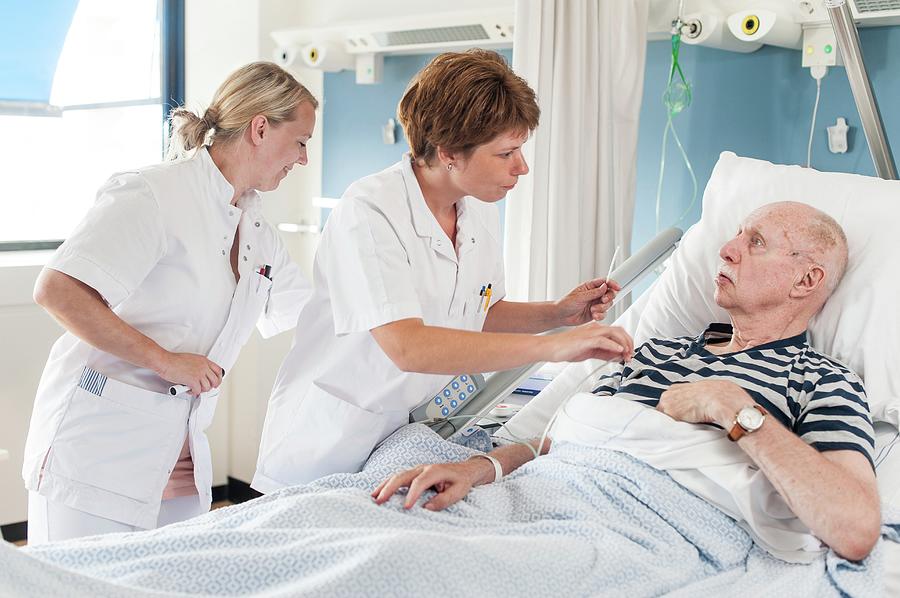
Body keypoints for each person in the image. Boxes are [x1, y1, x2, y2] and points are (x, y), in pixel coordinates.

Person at [373, 201, 882, 562]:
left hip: (640, 532)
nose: (727, 249)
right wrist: (480, 468)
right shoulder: (660, 349)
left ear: (806, 280)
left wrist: (732, 407)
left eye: (757, 242)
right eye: (736, 235)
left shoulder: (821, 380)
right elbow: (563, 439)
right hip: (538, 496)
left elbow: (854, 527)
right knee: (378, 532)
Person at [252, 49, 633, 492]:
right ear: (449, 152)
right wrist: (553, 349)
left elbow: (476, 310)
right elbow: (408, 346)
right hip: (330, 438)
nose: (522, 167)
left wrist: (560, 314)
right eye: (506, 152)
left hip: (404, 438)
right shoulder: (370, 211)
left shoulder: (477, 207)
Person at [23, 62, 317, 543]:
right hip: (99, 448)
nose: (303, 158)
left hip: (179, 450)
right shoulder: (154, 193)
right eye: (301, 141)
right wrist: (164, 360)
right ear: (260, 127)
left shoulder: (256, 227)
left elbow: (315, 316)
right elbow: (57, 290)